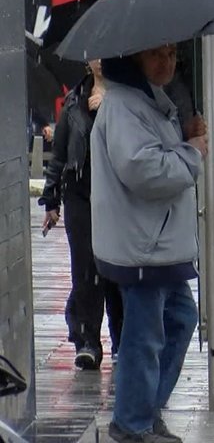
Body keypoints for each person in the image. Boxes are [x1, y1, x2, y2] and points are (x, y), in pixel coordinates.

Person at [91, 44, 207, 443]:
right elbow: (145, 171)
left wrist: (182, 138)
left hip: (157, 242)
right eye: (157, 55)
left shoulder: (149, 100)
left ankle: (143, 412)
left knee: (179, 319)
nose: (168, 63)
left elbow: (155, 154)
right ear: (133, 59)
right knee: (145, 335)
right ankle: (133, 422)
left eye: (173, 54)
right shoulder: (125, 105)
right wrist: (192, 154)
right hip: (143, 245)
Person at [38, 60, 123, 370]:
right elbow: (59, 153)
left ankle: (121, 339)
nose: (100, 60)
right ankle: (86, 340)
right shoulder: (75, 100)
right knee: (84, 268)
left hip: (115, 193)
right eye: (95, 54)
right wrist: (51, 200)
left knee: (115, 268)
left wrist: (111, 106)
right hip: (80, 192)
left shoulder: (126, 95)